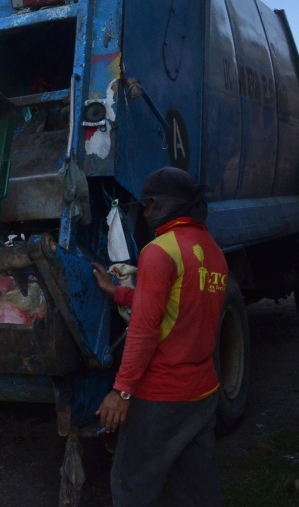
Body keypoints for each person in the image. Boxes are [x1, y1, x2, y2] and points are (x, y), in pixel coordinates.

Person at [92, 167, 227, 507]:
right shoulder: (213, 251)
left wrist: (121, 392)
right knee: (197, 487)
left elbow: (144, 329)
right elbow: (177, 306)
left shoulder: (159, 251)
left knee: (132, 485)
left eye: (149, 205)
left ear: (164, 205)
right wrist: (117, 293)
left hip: (162, 397)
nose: (146, 213)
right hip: (204, 391)